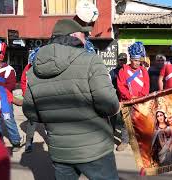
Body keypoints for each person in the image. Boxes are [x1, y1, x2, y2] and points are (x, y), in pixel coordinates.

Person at [22, 19, 120, 180]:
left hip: (60, 151)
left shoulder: (33, 71)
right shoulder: (91, 61)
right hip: (94, 150)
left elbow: (30, 112)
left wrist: (52, 117)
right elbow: (109, 106)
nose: (86, 38)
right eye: (84, 35)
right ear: (74, 35)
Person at [0, 38, 24, 151]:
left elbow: (11, 85)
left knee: (8, 120)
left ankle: (16, 142)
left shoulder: (9, 69)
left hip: (5, 100)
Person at [116, 41, 150, 151]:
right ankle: (124, 141)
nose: (137, 63)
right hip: (127, 100)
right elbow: (120, 86)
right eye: (135, 60)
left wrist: (139, 97)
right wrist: (130, 97)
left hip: (140, 100)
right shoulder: (123, 71)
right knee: (126, 122)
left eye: (138, 61)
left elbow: (146, 86)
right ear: (131, 60)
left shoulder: (144, 71)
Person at [20, 48, 40, 153]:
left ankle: (53, 143)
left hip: (45, 99)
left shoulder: (47, 68)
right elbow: (23, 81)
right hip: (31, 98)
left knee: (49, 122)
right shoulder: (27, 68)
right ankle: (29, 142)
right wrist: (25, 93)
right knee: (32, 121)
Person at [109, 53, 127, 131]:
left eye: (124, 60)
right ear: (118, 61)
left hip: (125, 97)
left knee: (125, 118)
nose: (122, 62)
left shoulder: (129, 71)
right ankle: (111, 133)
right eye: (121, 60)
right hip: (115, 97)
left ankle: (125, 140)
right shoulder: (112, 72)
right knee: (113, 117)